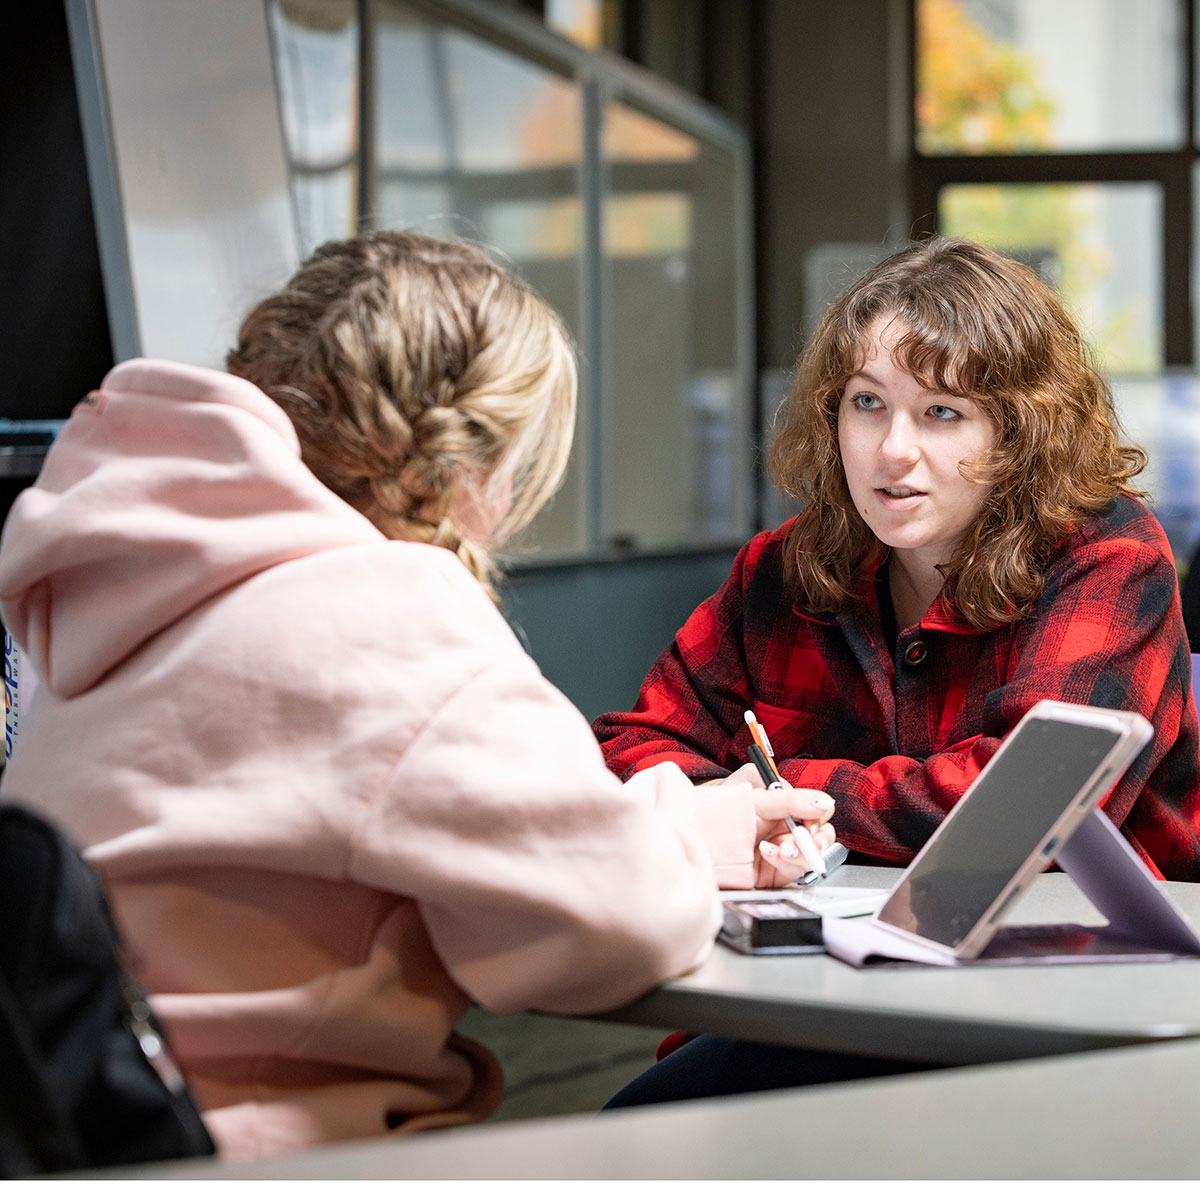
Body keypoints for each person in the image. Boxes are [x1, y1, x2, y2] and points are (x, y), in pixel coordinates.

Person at [0, 231, 835, 1161]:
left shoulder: (128, 577)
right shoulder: (383, 613)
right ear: (469, 464)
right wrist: (697, 835)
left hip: (91, 1135)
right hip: (265, 1153)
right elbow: (619, 928)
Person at [595, 237, 1200, 883]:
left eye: (941, 412)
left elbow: (1024, 813)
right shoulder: (782, 567)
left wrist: (773, 795)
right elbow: (630, 749)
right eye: (868, 403)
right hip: (833, 935)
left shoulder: (1108, 558)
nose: (893, 449)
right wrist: (746, 809)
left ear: (1020, 434)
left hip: (1091, 948)